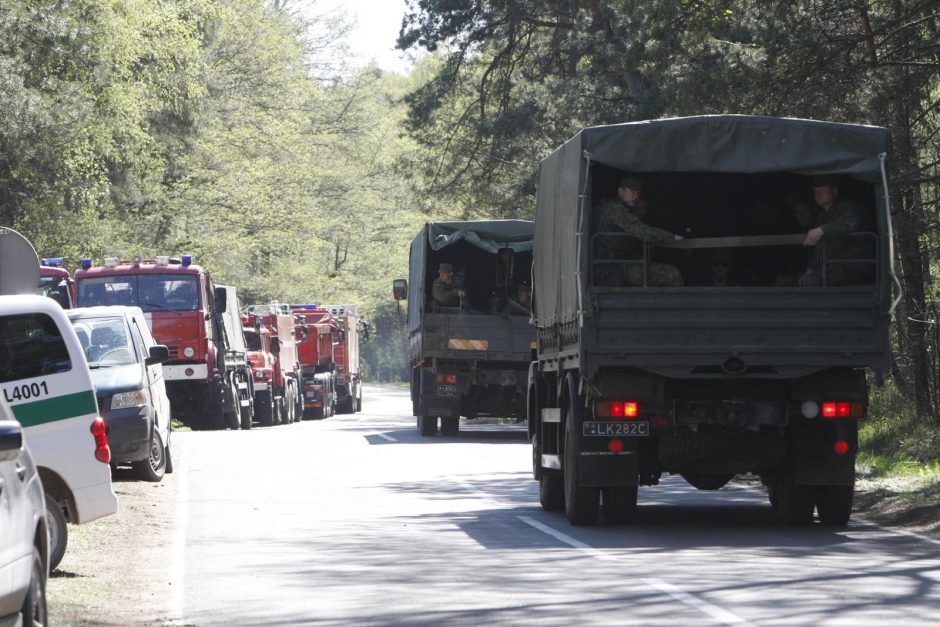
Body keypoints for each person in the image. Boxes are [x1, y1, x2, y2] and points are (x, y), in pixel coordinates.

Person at [593, 174, 684, 287]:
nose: (636, 196)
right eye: (632, 191)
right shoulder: (615, 209)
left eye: (638, 193)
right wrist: (670, 237)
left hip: (618, 265)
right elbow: (639, 230)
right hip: (615, 268)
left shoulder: (612, 207)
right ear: (620, 191)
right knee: (672, 274)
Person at [798, 176, 870, 287]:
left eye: (823, 191)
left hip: (852, 265)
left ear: (834, 191)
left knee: (810, 283)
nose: (818, 195)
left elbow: (851, 222)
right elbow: (820, 249)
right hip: (831, 266)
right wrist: (811, 269)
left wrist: (822, 230)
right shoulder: (822, 216)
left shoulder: (846, 207)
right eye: (816, 192)